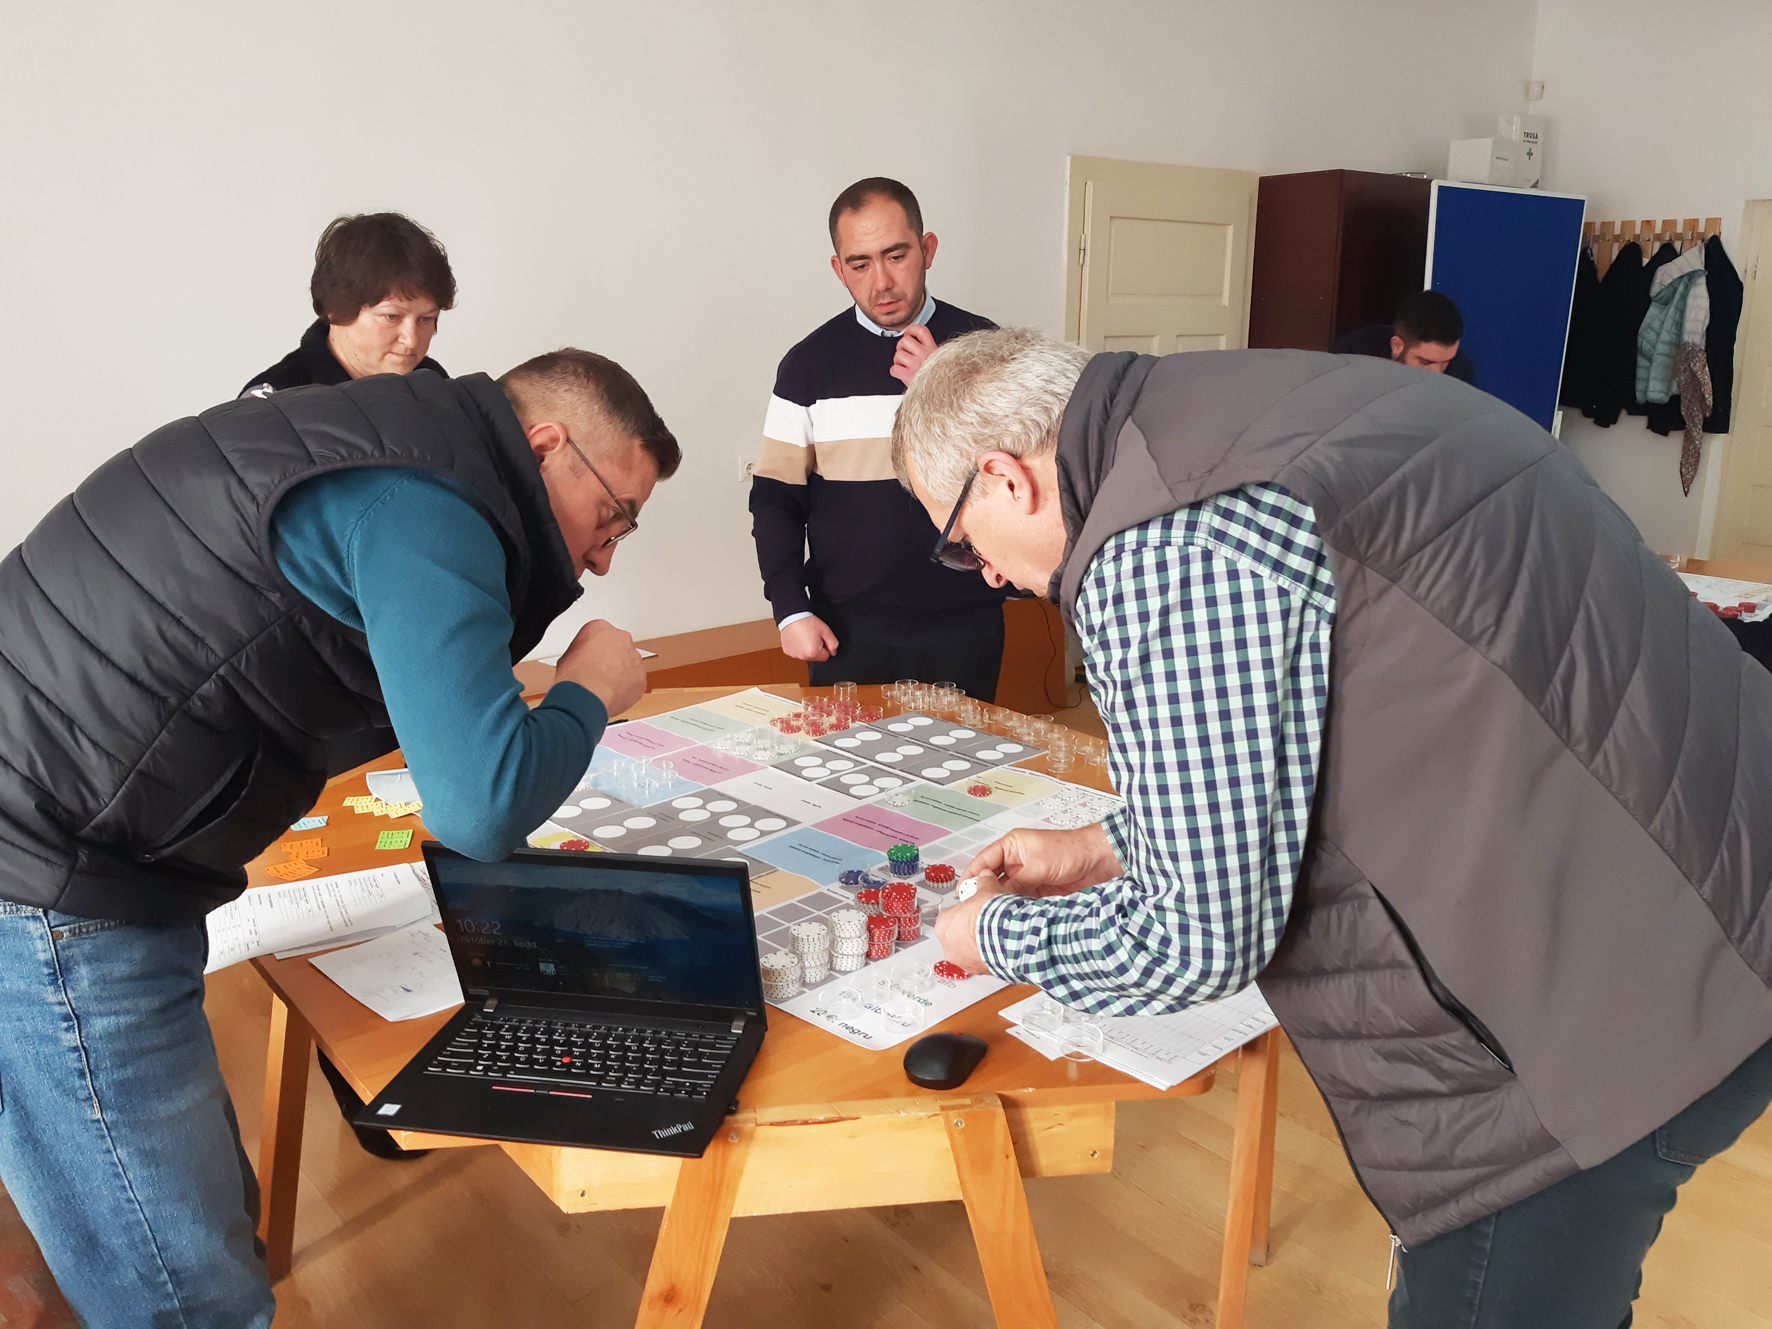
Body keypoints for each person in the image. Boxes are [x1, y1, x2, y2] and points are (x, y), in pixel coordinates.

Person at [893, 328, 1772, 1327]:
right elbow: (1335, 724)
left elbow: (1194, 940)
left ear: (1004, 477)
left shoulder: (1162, 545)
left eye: (960, 542)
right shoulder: (1272, 396)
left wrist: (991, 934)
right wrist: (1105, 846)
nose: (985, 574)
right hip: (1716, 886)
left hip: (1592, 1035)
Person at [0, 349, 677, 1327]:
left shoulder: (398, 444)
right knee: (183, 1293)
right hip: (48, 869)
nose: (606, 555)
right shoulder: (429, 503)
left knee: (201, 1227)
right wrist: (589, 691)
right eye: (613, 515)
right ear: (545, 446)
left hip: (78, 833)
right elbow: (480, 806)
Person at [749, 176, 1009, 700]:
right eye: (860, 264)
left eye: (896, 255)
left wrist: (937, 386)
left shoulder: (988, 348)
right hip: (846, 628)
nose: (882, 283)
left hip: (966, 619)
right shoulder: (806, 365)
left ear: (927, 249)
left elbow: (1016, 475)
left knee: (965, 757)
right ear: (838, 269)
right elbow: (776, 498)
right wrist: (789, 609)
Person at [240, 212, 455, 398]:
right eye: (392, 317)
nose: (411, 339)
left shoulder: (436, 385)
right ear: (335, 310)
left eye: (426, 319)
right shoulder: (275, 400)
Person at [1332, 288, 1477, 384]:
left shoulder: (1460, 367)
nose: (1437, 373)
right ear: (1397, 345)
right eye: (1425, 362)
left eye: (1446, 362)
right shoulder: (1353, 356)